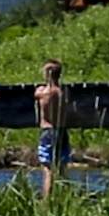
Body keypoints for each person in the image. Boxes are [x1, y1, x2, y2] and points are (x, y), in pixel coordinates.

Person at [32, 56, 70, 198]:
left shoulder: (41, 92)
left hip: (47, 131)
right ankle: (66, 198)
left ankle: (46, 202)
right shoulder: (64, 92)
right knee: (62, 167)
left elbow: (36, 95)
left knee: (48, 170)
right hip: (62, 130)